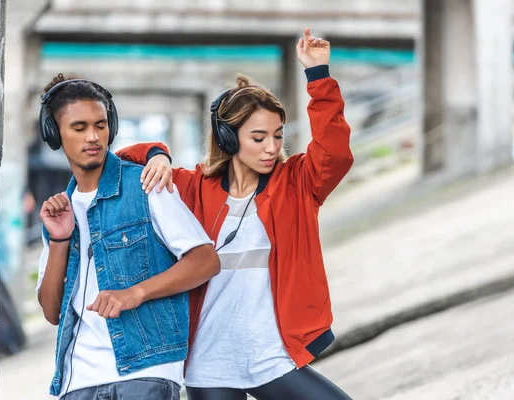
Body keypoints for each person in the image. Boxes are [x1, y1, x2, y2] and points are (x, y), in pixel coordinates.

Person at [117, 28, 353, 399]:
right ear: (228, 138)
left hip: (272, 354)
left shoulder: (297, 182)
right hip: (209, 363)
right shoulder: (191, 187)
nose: (272, 147)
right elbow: (120, 163)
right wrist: (155, 154)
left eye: (277, 135)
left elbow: (335, 152)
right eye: (258, 138)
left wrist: (318, 75)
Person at [36, 74, 220, 400]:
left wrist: (136, 293)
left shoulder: (145, 186)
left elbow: (205, 260)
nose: (93, 137)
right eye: (79, 128)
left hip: (145, 372)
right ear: (54, 134)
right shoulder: (59, 211)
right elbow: (53, 312)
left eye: (101, 125)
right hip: (77, 381)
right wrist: (60, 240)